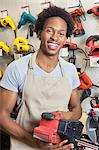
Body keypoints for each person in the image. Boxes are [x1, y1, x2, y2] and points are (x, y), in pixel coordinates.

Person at [0, 6, 82, 150]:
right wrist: (33, 142)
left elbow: (76, 109)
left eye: (61, 33)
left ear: (66, 39)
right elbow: (2, 116)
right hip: (25, 144)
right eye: (49, 30)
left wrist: (62, 116)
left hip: (60, 146)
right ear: (39, 33)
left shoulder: (70, 70)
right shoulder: (18, 68)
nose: (54, 37)